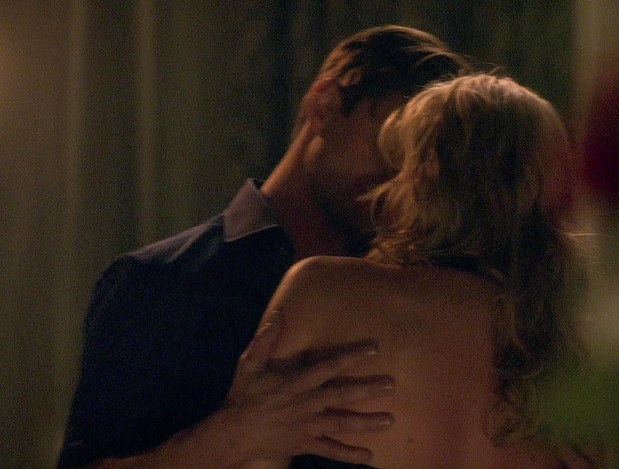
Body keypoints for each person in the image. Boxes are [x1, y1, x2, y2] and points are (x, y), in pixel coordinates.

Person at [58, 25, 470, 468]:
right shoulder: (158, 282)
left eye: (423, 166)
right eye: (392, 145)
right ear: (326, 107)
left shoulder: (415, 296)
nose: (403, 181)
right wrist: (230, 439)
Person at [252, 73, 592, 468]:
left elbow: (246, 455)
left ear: (426, 172)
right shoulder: (575, 341)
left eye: (401, 166)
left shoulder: (322, 293)